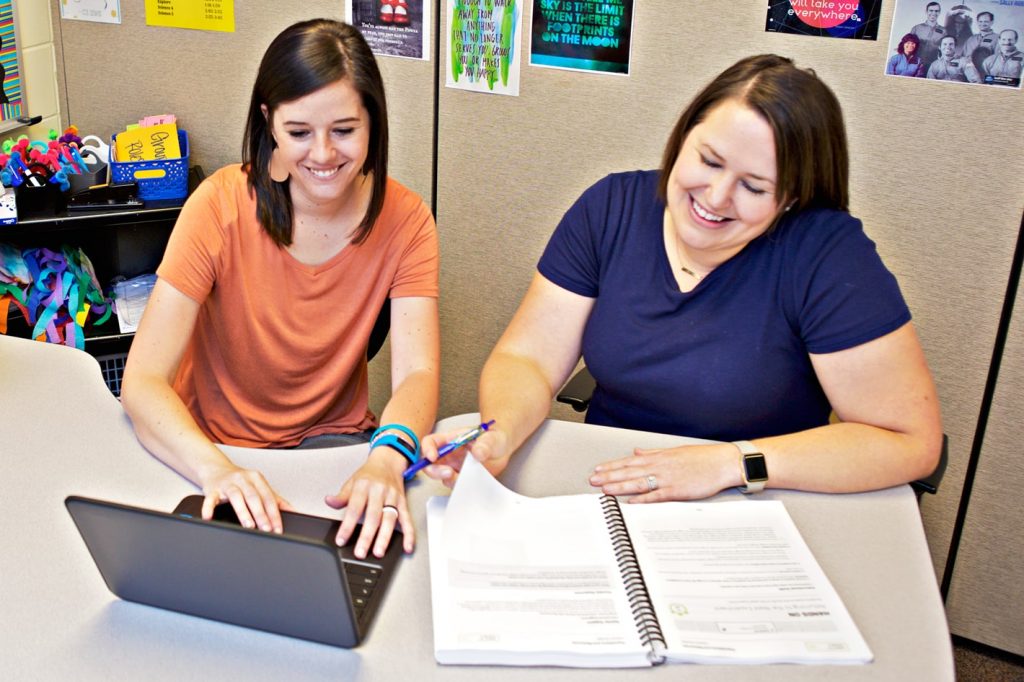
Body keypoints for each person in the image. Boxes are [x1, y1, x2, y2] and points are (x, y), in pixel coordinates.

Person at [422, 54, 942, 503]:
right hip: (611, 486)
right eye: (709, 161)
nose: (716, 198)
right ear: (682, 137)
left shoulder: (825, 254)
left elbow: (909, 441)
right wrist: (502, 434)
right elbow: (528, 359)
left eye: (754, 187)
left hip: (757, 500)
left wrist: (729, 465)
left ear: (791, 197)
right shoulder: (611, 209)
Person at [121, 19, 440, 560]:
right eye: (298, 133)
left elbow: (418, 373)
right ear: (269, 123)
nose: (322, 155)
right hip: (211, 449)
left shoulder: (406, 220)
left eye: (344, 130)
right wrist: (215, 469)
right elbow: (144, 380)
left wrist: (387, 457)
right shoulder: (220, 205)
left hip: (331, 450)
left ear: (373, 123)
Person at [912, 2, 947, 66]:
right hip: (915, 63)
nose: (933, 13)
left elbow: (945, 49)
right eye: (931, 10)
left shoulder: (944, 31)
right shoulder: (916, 28)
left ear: (939, 13)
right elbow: (908, 45)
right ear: (926, 11)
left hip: (933, 65)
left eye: (936, 11)